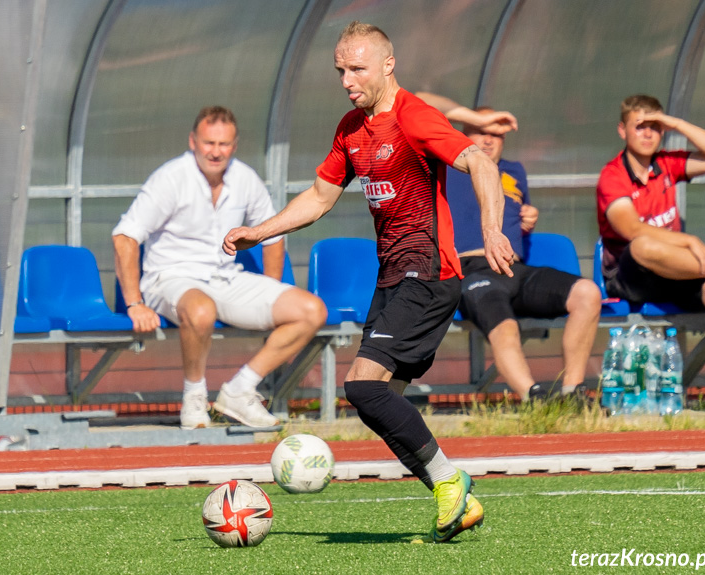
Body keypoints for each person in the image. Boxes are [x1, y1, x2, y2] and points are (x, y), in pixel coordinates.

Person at [222, 22, 514, 543]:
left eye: (356, 68)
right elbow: (319, 197)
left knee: (359, 384)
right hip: (392, 277)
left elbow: (479, 163)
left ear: (387, 65)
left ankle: (450, 481)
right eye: (340, 70)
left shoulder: (414, 116)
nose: (346, 79)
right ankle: (458, 501)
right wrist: (258, 233)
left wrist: (491, 228)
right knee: (377, 400)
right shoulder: (352, 128)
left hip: (428, 272)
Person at [112, 106, 327, 430]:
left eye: (223, 144)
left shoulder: (245, 178)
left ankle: (240, 391)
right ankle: (194, 399)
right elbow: (124, 238)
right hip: (168, 278)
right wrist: (134, 303)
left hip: (225, 277)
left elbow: (272, 235)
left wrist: (270, 288)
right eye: (209, 143)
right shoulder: (170, 178)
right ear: (193, 141)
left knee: (312, 311)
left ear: (235, 145)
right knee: (201, 310)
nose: (216, 152)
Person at [441, 106, 602, 402]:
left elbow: (512, 219)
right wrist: (471, 115)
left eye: (495, 134)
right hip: (472, 269)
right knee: (505, 327)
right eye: (480, 131)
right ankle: (535, 399)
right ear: (464, 132)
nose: (488, 140)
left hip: (515, 269)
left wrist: (528, 219)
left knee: (587, 292)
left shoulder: (514, 171)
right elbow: (418, 103)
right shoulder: (448, 166)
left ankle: (572, 393)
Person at [597, 95, 705, 362]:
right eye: (639, 126)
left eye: (655, 127)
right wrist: (689, 241)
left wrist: (675, 123)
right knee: (642, 244)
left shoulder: (666, 164)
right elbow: (631, 229)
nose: (648, 134)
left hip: (675, 271)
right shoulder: (613, 175)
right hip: (631, 275)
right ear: (623, 130)